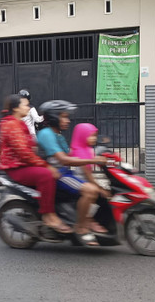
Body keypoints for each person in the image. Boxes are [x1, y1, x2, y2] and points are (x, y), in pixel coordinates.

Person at [37, 100, 109, 246]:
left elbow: (70, 154)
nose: (68, 120)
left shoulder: (58, 135)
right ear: (54, 117)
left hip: (64, 173)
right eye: (64, 117)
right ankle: (81, 227)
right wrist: (93, 159)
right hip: (57, 175)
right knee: (91, 190)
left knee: (99, 189)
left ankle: (86, 219)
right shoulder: (46, 134)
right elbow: (64, 160)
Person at [0, 94, 71, 234]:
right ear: (16, 108)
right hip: (16, 167)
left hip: (25, 164)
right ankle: (48, 215)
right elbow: (24, 153)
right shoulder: (11, 125)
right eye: (25, 105)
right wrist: (45, 165)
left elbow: (31, 149)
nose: (28, 107)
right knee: (47, 175)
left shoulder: (20, 123)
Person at [70, 123, 116, 233]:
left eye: (95, 135)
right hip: (81, 183)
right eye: (91, 135)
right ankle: (91, 221)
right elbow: (88, 175)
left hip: (86, 181)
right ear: (82, 136)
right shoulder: (80, 151)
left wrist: (113, 158)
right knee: (103, 197)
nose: (94, 138)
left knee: (106, 195)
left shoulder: (87, 149)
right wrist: (100, 188)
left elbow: (97, 160)